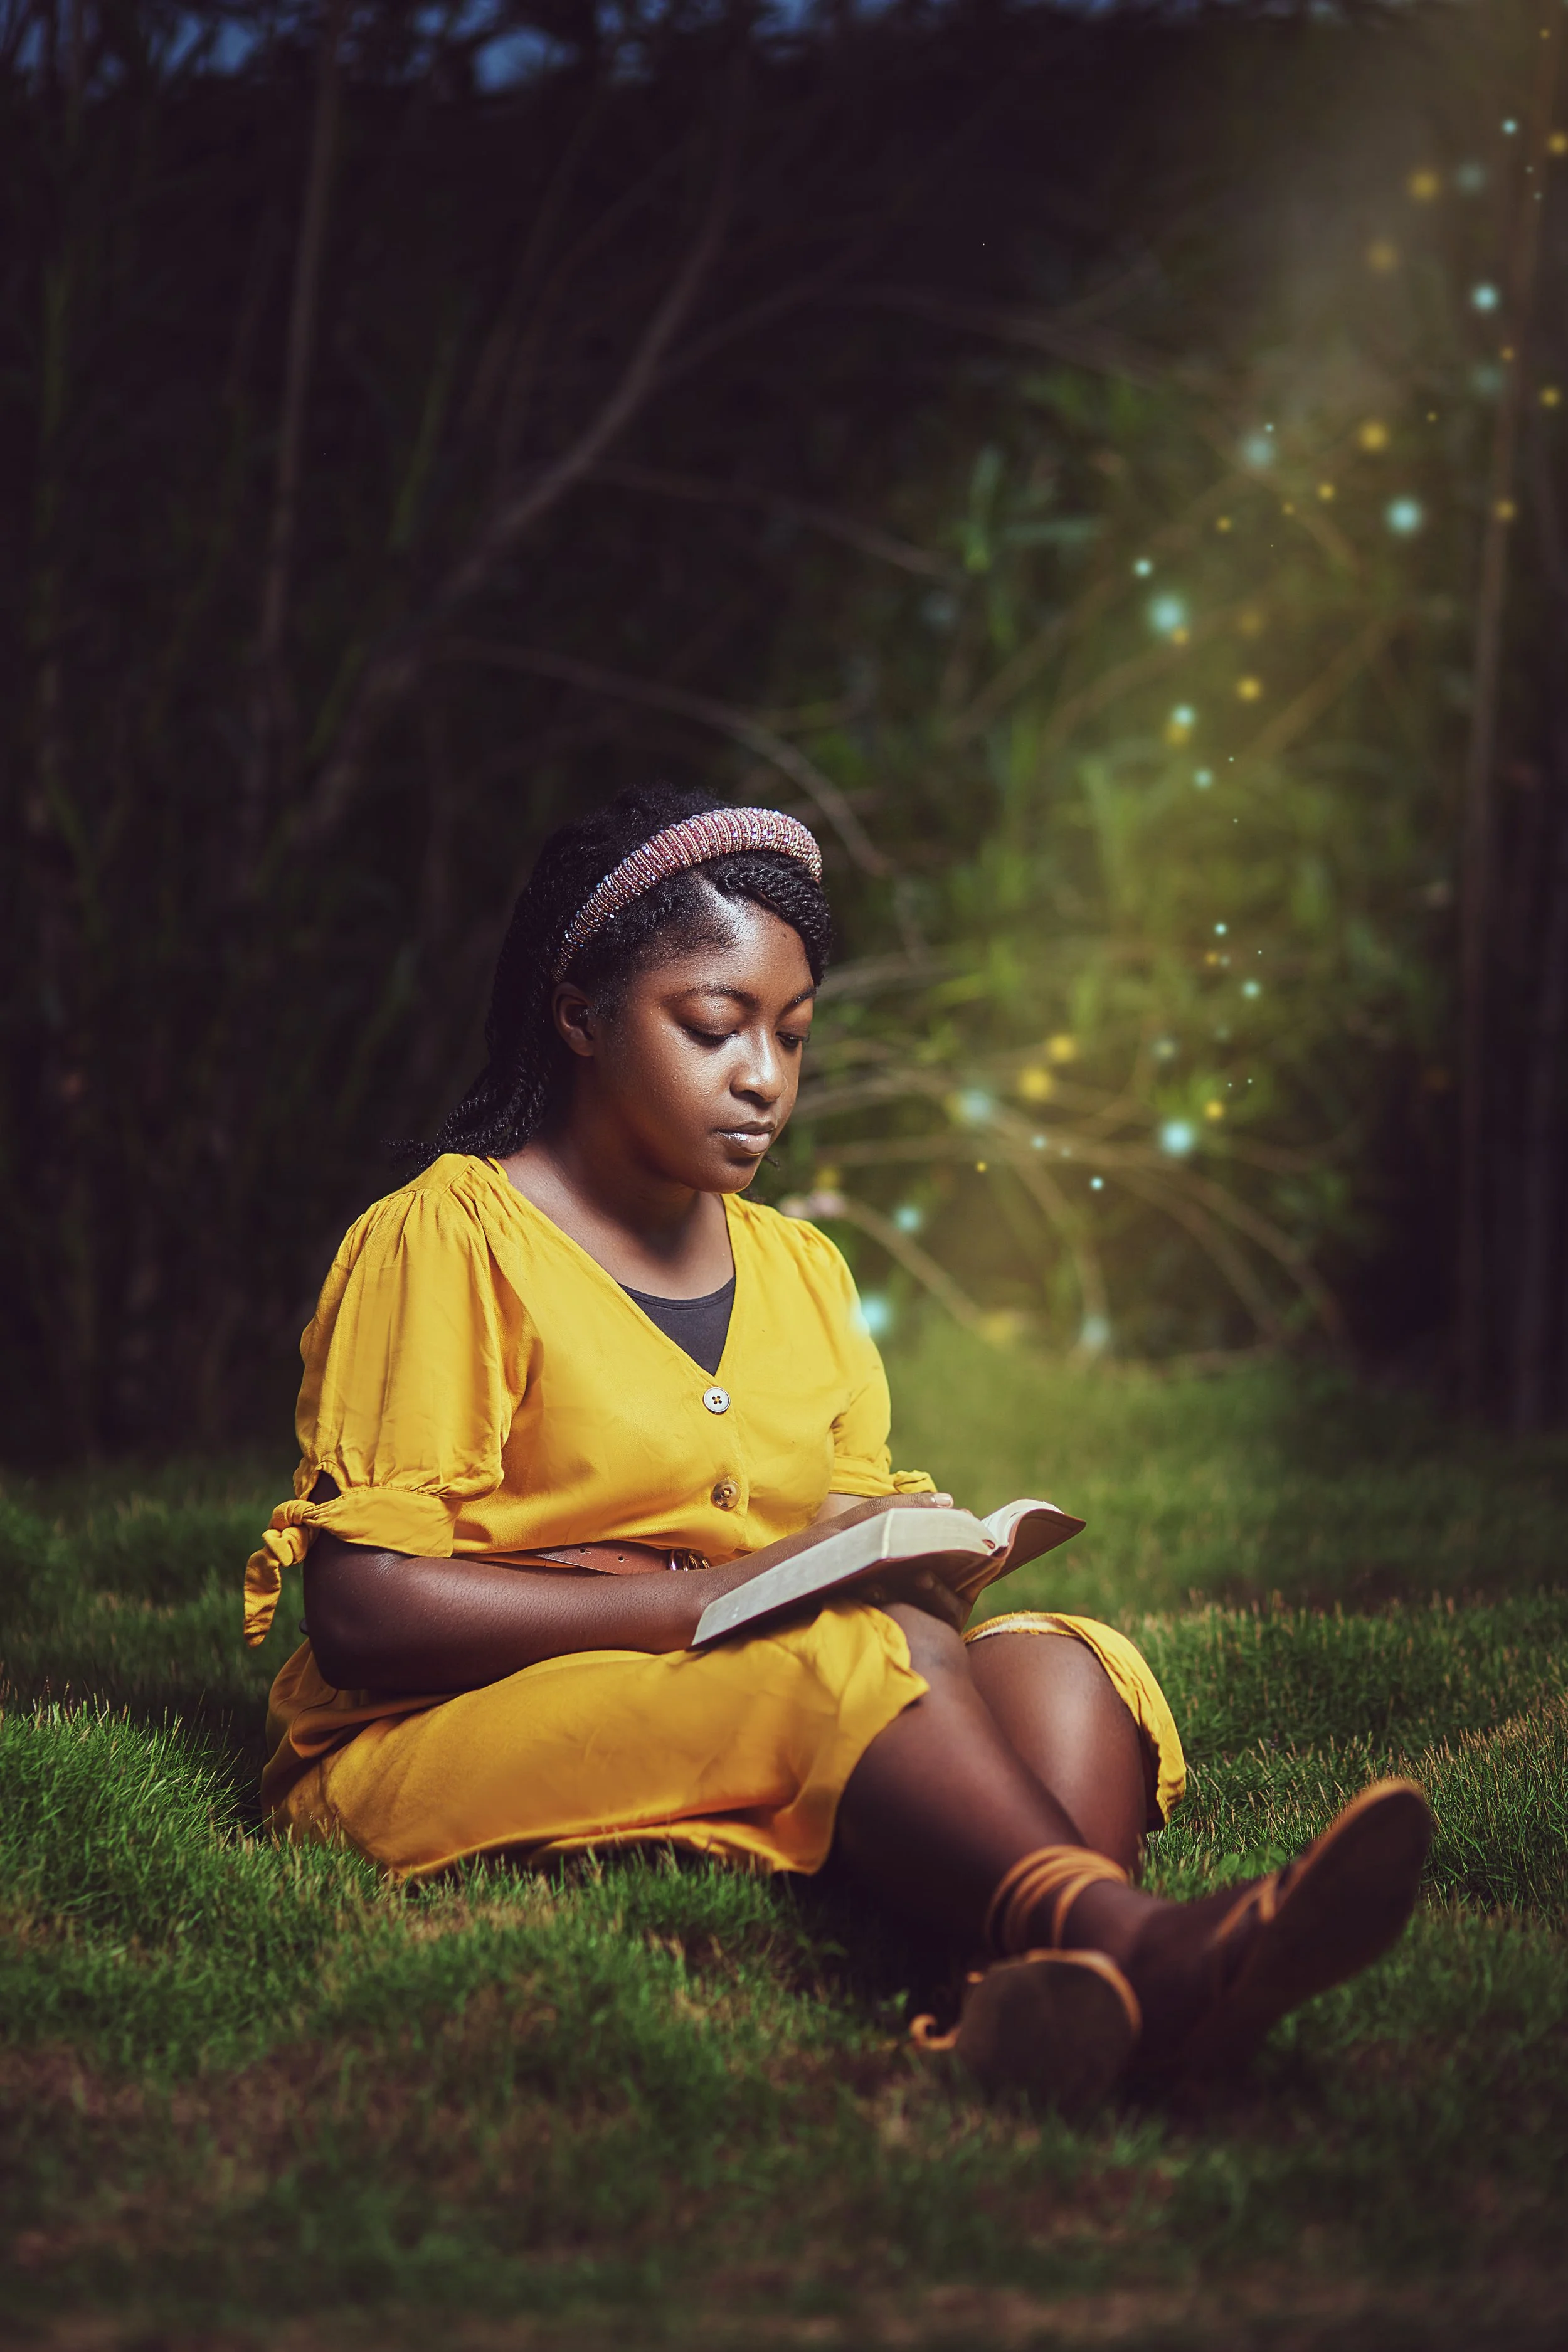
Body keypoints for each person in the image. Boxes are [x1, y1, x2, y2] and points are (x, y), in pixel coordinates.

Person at [243, 783, 1432, 2116]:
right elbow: (363, 1612)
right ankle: (1148, 1951)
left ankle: (1027, 2007)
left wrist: (913, 1563)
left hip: (763, 1671)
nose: (761, 1076)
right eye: (712, 1027)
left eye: (791, 1038)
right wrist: (703, 1600)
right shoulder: (446, 1238)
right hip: (433, 1739)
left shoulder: (800, 1269)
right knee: (846, 1656)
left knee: (1063, 1664)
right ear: (576, 1013)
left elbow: (849, 1518)